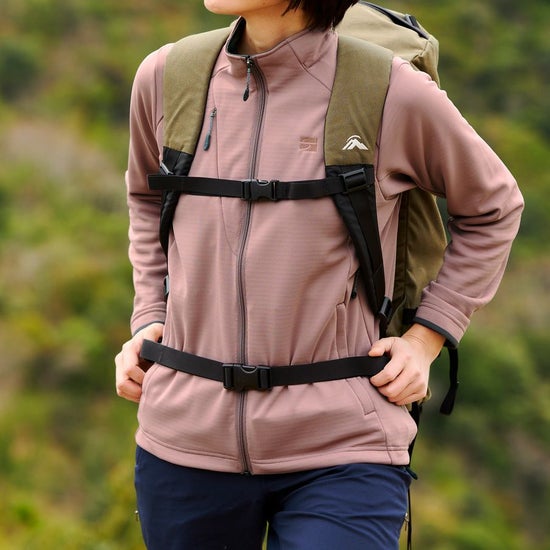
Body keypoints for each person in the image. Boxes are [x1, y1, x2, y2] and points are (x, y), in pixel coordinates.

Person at [115, 1, 524, 548]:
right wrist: (150, 315)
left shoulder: (385, 89)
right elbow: (148, 199)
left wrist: (426, 339)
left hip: (344, 445)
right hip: (184, 441)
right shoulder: (168, 76)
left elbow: (494, 206)